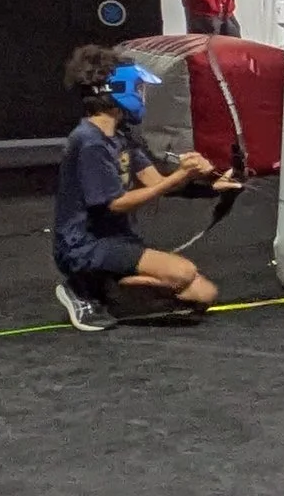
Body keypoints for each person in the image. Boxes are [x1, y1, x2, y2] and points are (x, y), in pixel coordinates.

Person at [52, 45, 236, 332]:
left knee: (203, 294)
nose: (140, 96)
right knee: (183, 272)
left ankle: (106, 286)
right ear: (114, 90)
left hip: (117, 241)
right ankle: (83, 288)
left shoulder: (122, 136)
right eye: (136, 89)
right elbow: (116, 203)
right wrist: (178, 177)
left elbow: (155, 182)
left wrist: (210, 184)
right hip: (85, 246)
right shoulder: (89, 141)